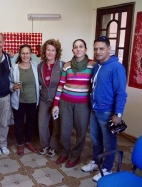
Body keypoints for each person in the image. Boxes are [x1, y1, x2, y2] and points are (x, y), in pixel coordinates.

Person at [81, 36, 127, 182]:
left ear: (109, 49)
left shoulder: (116, 67)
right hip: (95, 110)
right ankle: (96, 162)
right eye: (95, 49)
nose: (98, 52)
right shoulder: (97, 66)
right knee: (95, 139)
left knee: (109, 142)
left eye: (101, 49)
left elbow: (121, 93)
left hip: (108, 112)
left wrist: (118, 114)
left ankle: (107, 168)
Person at [52, 39, 95, 168]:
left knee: (81, 131)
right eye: (75, 47)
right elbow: (61, 85)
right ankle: (64, 153)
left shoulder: (92, 65)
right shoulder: (67, 65)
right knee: (64, 130)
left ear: (86, 49)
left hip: (83, 104)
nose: (78, 49)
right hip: (66, 103)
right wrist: (55, 104)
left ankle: (76, 156)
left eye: (81, 46)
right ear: (72, 50)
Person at [10, 44, 40, 156]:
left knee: (31, 123)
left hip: (33, 101)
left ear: (31, 54)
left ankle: (28, 141)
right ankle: (20, 144)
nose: (25, 55)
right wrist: (13, 87)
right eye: (23, 53)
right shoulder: (14, 68)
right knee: (19, 124)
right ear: (19, 54)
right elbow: (10, 83)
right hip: (19, 101)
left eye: (27, 53)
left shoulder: (36, 66)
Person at [38, 39, 64, 157]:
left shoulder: (61, 65)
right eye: (48, 50)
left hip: (57, 101)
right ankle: (45, 145)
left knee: (56, 125)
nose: (50, 52)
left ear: (56, 52)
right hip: (44, 100)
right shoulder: (40, 66)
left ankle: (53, 147)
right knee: (42, 124)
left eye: (53, 50)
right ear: (45, 51)